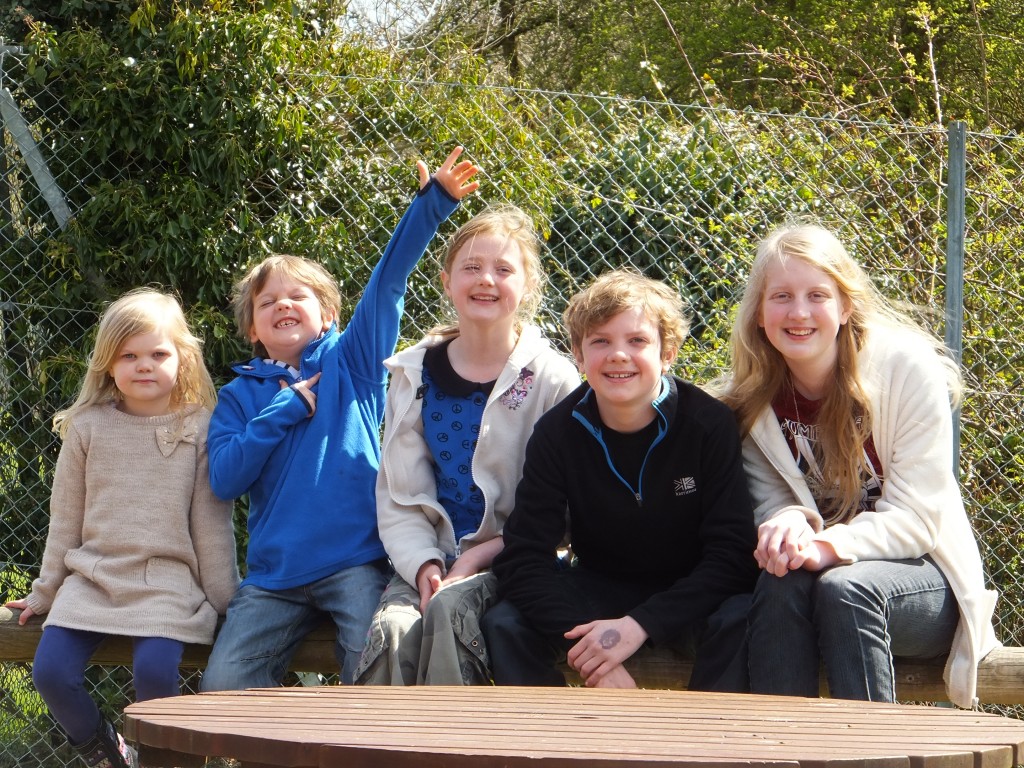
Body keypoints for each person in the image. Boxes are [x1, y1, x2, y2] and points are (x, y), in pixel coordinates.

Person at [200, 146, 480, 690]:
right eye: (268, 302)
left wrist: (431, 205)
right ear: (252, 328)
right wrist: (283, 410)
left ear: (328, 314)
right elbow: (224, 478)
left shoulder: (351, 360)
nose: (283, 305)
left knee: (374, 678)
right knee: (221, 691)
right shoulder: (239, 396)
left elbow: (389, 281)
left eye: (298, 296)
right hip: (273, 579)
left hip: (355, 565)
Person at [719, 222, 999, 707]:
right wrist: (784, 522)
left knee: (846, 588)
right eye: (781, 296)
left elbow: (917, 523)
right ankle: (779, 754)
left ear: (846, 306)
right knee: (780, 584)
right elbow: (773, 505)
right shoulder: (750, 404)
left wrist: (828, 544)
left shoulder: (906, 372)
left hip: (922, 581)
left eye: (817, 295)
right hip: (815, 580)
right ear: (760, 316)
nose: (799, 312)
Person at [482, 268, 758, 689]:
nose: (618, 355)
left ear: (669, 352)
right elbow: (523, 556)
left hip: (692, 591)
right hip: (599, 585)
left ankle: (705, 745)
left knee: (741, 617)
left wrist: (640, 625)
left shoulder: (708, 424)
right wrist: (598, 653)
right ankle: (553, 747)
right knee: (506, 622)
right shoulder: (557, 432)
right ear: (578, 354)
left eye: (637, 341)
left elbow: (733, 553)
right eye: (600, 341)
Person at [4, 289, 238, 768]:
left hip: (164, 585)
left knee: (154, 671)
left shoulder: (200, 428)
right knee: (50, 671)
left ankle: (166, 760)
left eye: (158, 353)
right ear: (108, 365)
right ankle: (105, 750)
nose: (144, 365)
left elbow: (212, 527)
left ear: (183, 359)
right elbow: (65, 519)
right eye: (128, 355)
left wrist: (226, 601)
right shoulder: (87, 428)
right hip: (92, 580)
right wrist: (45, 592)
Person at [354, 204, 580, 686]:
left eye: (503, 269)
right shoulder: (412, 373)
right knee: (393, 629)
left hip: (516, 558)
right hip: (427, 557)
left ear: (527, 286)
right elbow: (397, 493)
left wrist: (479, 557)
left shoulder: (553, 378)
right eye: (471, 268)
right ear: (446, 280)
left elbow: (565, 507)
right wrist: (423, 565)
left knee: (451, 612)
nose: (486, 280)